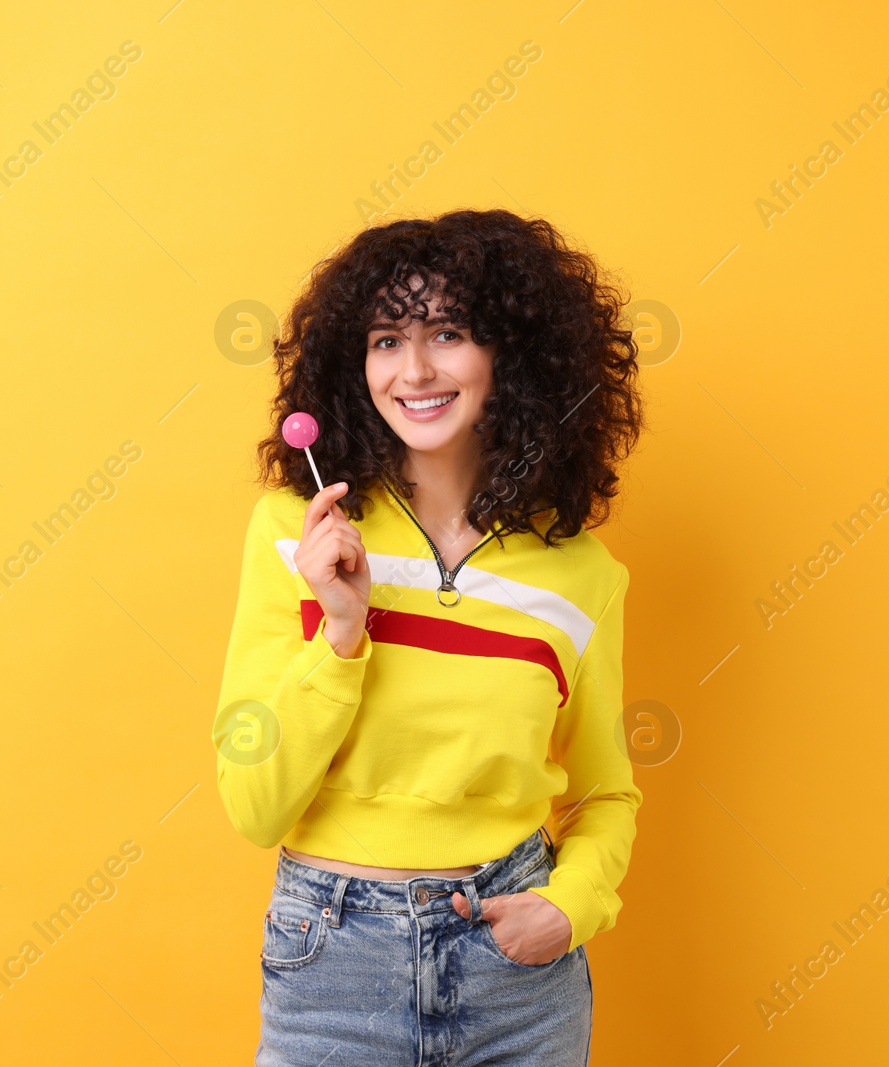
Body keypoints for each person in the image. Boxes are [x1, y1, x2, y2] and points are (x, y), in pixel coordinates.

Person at [212, 207, 646, 1065]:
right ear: (353, 362)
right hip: (332, 962)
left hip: (517, 977)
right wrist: (341, 629)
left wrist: (574, 903)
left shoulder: (581, 574)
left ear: (510, 357)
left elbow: (604, 794)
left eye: (447, 333)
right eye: (384, 340)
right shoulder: (295, 536)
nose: (413, 370)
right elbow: (254, 807)